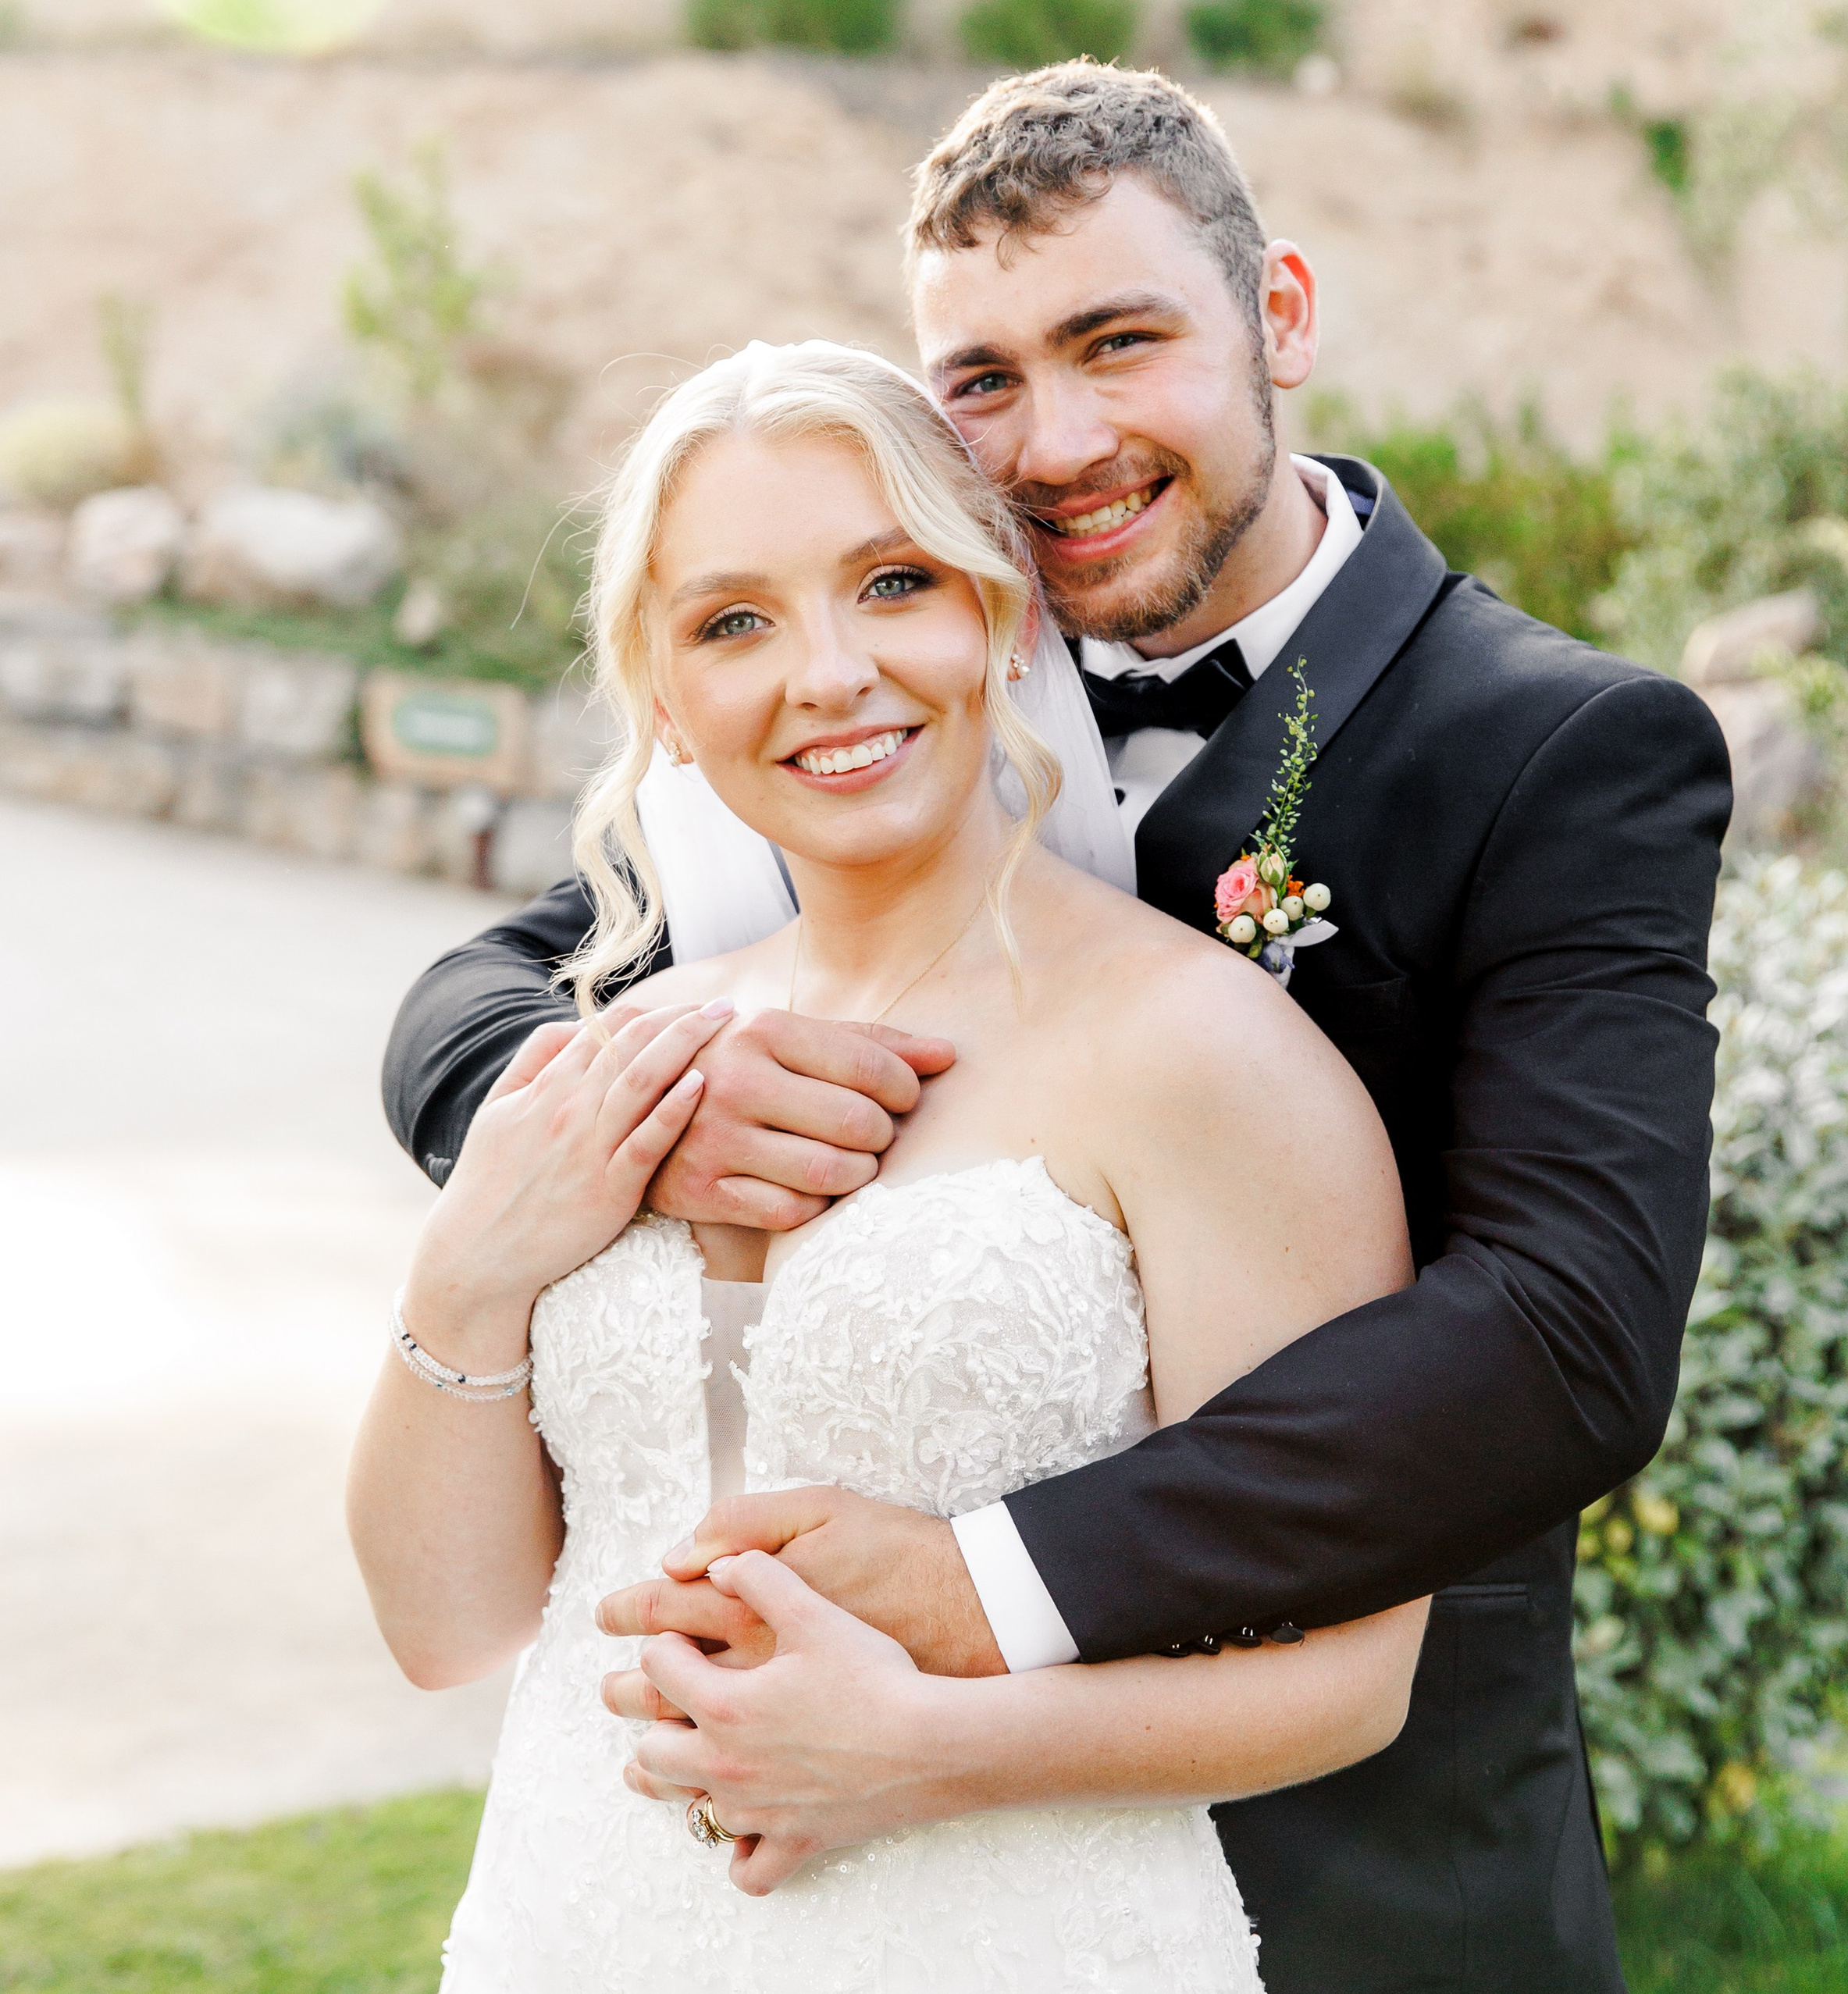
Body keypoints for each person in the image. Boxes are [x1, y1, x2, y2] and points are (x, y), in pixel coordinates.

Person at [383, 64, 1732, 1994]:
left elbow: (1567, 1330)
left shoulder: (1557, 746)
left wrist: (983, 1582)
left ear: (1275, 315)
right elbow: (481, 991)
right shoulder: (910, 671)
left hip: (1350, 1834)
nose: (1059, 440)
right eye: (983, 382)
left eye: (1119, 342)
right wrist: (628, 1125)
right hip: (773, 1854)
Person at [352, 337, 1429, 1989]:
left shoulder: (1202, 1058)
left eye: (890, 581)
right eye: (733, 621)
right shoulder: (627, 1058)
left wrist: (920, 1746)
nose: (828, 673)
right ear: (661, 693)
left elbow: (1346, 1678)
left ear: (997, 610)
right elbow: (448, 1625)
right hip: (568, 1921)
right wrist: (473, 1255)